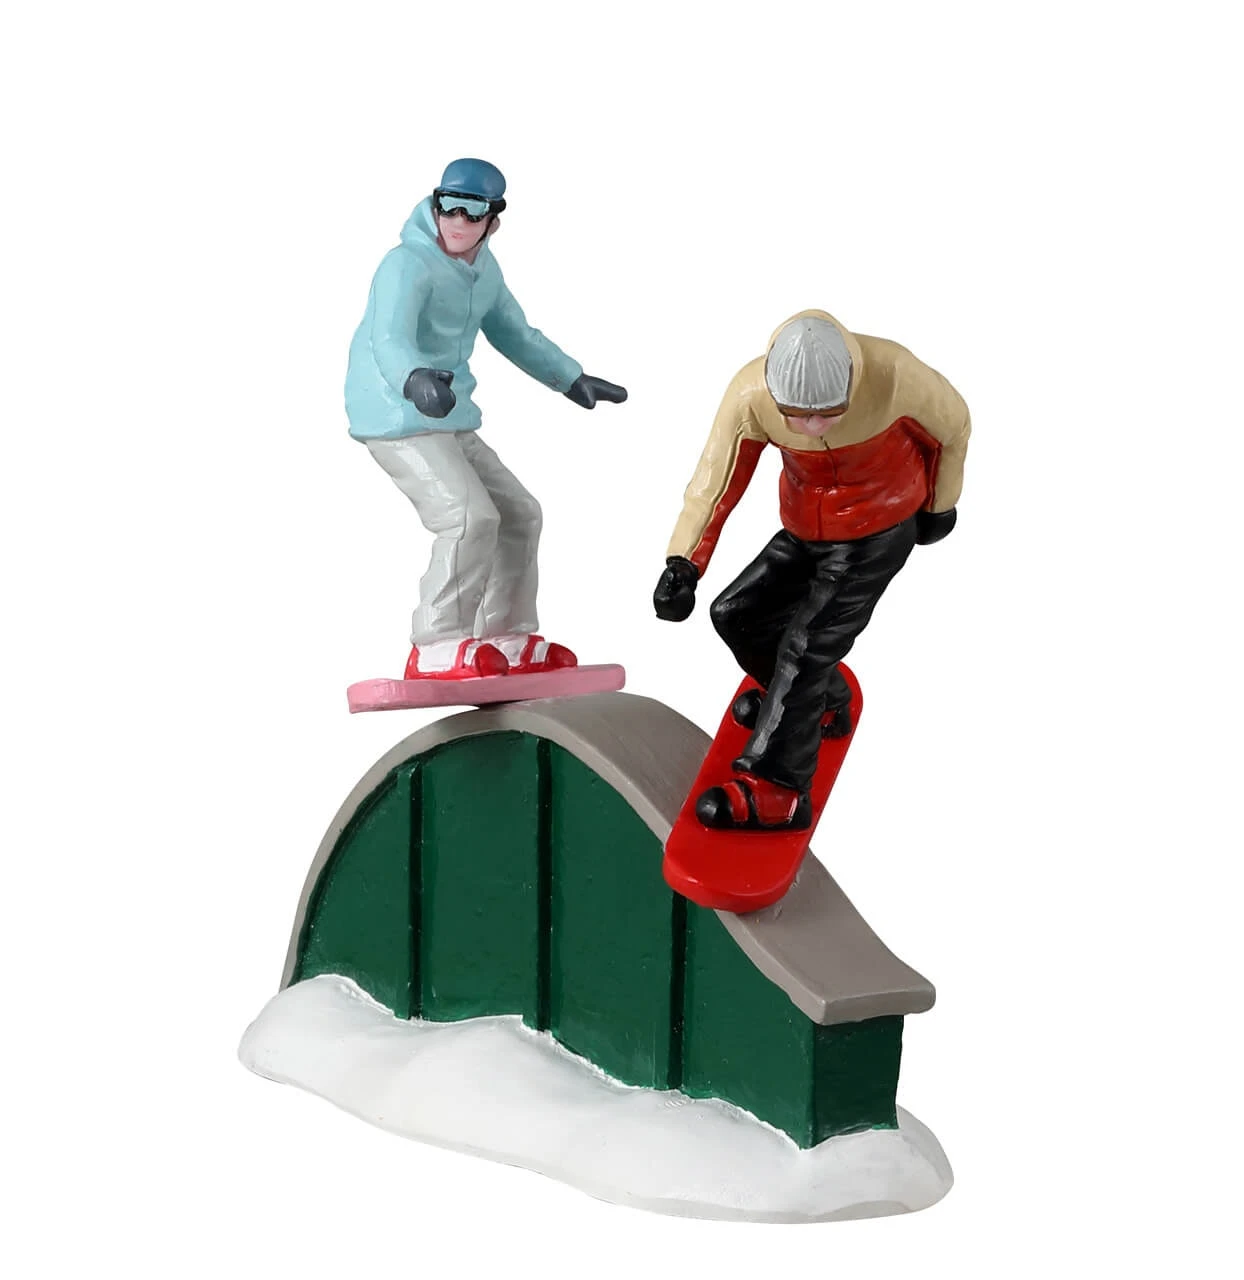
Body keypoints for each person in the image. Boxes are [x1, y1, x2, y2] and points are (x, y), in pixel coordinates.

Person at [654, 311, 970, 831]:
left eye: (829, 414)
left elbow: (953, 426)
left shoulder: (895, 374)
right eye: (796, 417)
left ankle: (777, 790)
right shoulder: (749, 394)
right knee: (735, 614)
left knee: (805, 646)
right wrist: (683, 562)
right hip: (805, 529)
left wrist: (941, 503)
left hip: (878, 528)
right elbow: (716, 477)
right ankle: (813, 705)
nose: (814, 427)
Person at [345, 158, 627, 679]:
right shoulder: (405, 264)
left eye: (472, 212)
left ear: (493, 219)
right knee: (468, 518)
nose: (457, 221)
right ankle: (436, 643)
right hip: (395, 411)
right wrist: (413, 378)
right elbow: (388, 337)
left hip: (449, 413)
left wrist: (571, 378)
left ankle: (507, 636)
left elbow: (515, 333)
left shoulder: (484, 272)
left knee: (520, 514)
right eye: (448, 206)